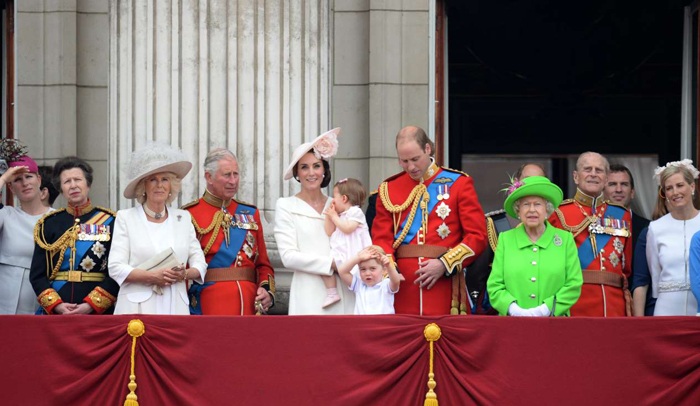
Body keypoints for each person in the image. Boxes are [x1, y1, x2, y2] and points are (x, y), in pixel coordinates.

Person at [372, 125, 487, 315]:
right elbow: (381, 239)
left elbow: (477, 236)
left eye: (415, 159)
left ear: (427, 149)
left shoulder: (458, 183)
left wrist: (445, 264)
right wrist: (390, 274)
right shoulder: (388, 189)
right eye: (404, 161)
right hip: (401, 287)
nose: (411, 167)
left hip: (444, 283)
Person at [108, 143, 207, 315]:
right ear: (143, 186)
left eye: (165, 179)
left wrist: (184, 274)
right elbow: (116, 267)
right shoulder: (126, 218)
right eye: (153, 179)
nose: (159, 185)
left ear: (171, 186)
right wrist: (153, 277)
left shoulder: (183, 218)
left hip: (176, 306)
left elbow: (200, 264)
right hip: (137, 308)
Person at [184, 148, 275, 315]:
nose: (233, 181)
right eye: (227, 175)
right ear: (208, 177)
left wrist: (266, 290)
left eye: (236, 174)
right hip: (209, 303)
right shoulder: (189, 214)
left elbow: (263, 264)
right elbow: (184, 268)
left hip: (249, 303)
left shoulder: (250, 213)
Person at [275, 127, 356, 314]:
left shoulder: (338, 204)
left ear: (324, 170)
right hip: (308, 292)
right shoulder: (286, 206)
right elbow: (288, 257)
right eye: (304, 167)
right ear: (297, 173)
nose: (311, 173)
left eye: (316, 166)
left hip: (344, 290)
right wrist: (331, 264)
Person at [30, 157, 119, 314]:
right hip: (57, 308)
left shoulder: (111, 221)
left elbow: (117, 271)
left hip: (97, 311)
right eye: (67, 182)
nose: (73, 186)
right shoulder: (49, 223)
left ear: (88, 184)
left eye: (78, 179)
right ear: (61, 189)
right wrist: (56, 305)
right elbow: (37, 275)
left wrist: (91, 305)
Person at [549, 152, 632, 317]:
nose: (593, 174)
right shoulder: (559, 213)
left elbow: (626, 267)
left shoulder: (622, 215)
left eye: (599, 170)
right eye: (587, 169)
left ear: (606, 178)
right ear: (575, 176)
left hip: (613, 303)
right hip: (575, 301)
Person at [487, 176, 582, 316]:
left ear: (547, 209)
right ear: (518, 211)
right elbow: (495, 286)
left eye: (537, 204)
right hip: (513, 325)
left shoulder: (565, 240)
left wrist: (545, 309)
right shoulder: (506, 240)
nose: (532, 210)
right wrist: (513, 310)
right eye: (526, 204)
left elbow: (573, 284)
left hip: (554, 324)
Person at [466, 162, 546, 314]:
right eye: (527, 179)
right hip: (501, 311)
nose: (531, 185)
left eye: (538, 180)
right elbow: (477, 275)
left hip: (544, 309)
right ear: (516, 181)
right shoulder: (494, 224)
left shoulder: (554, 228)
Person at [0, 155, 54, 314]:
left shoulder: (57, 218)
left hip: (41, 297)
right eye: (17, 179)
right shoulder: (6, 215)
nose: (24, 183)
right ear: (10, 187)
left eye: (29, 176)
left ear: (39, 179)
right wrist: (3, 178)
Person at [645, 159, 700, 316]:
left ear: (692, 186)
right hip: (667, 307)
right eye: (669, 188)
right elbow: (655, 275)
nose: (675, 192)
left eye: (680, 185)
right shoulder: (656, 228)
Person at [321, 177, 372, 307]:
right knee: (324, 265)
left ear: (344, 199)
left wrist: (334, 217)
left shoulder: (356, 212)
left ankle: (365, 299)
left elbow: (348, 228)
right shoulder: (339, 216)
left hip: (355, 253)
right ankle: (332, 292)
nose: (332, 200)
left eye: (334, 197)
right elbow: (329, 231)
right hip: (341, 253)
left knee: (358, 278)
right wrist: (329, 216)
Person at [337, 245, 401, 315]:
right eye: (363, 269)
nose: (367, 273)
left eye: (372, 268)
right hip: (363, 324)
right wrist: (358, 258)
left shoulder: (386, 285)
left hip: (384, 324)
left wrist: (389, 266)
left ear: (384, 270)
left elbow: (396, 281)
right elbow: (342, 271)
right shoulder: (359, 285)